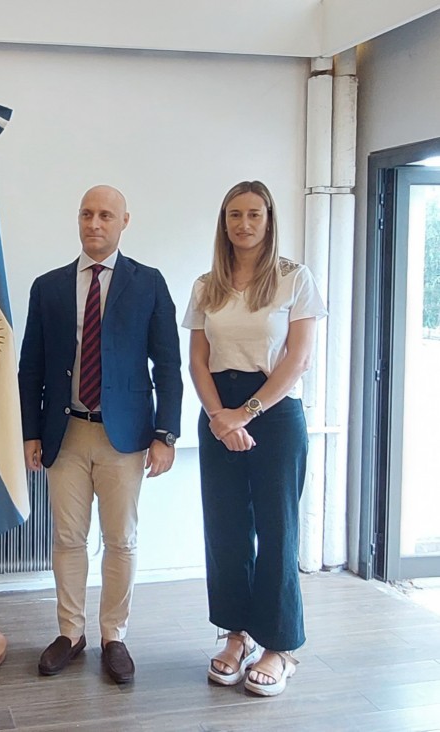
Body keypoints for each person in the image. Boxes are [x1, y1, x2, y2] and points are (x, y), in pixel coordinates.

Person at [19, 185, 183, 684]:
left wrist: (166, 434)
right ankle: (71, 632)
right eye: (87, 214)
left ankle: (115, 635)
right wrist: (29, 432)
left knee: (121, 541)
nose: (95, 223)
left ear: (124, 222)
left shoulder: (148, 283)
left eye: (105, 215)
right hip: (64, 433)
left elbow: (169, 365)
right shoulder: (47, 286)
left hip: (126, 438)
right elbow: (31, 367)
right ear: (78, 220)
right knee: (67, 539)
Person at [182, 180, 325, 696]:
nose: (244, 224)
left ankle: (279, 647)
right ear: (223, 222)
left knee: (277, 530)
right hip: (218, 410)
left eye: (254, 215)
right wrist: (220, 415)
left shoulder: (295, 279)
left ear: (269, 220)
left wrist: (246, 413)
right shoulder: (207, 285)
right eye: (234, 215)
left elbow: (298, 358)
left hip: (275, 413)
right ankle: (235, 636)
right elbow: (197, 360)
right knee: (226, 532)